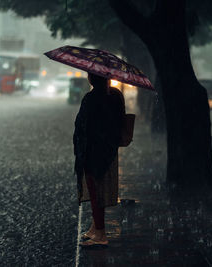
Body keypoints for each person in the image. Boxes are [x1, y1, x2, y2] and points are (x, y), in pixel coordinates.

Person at [73, 72, 125, 247]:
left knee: (95, 191)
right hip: (107, 150)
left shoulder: (92, 98)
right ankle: (95, 227)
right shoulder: (116, 95)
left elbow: (84, 124)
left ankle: (100, 234)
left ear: (92, 79)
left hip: (92, 151)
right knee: (99, 189)